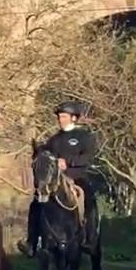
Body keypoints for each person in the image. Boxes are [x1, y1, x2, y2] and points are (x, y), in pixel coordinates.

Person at [19, 101, 101, 255]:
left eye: (63, 116)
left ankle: (90, 240)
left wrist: (69, 162)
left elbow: (89, 157)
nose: (60, 119)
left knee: (89, 201)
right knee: (36, 202)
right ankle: (32, 243)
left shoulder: (84, 136)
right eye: (59, 117)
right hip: (56, 180)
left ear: (74, 118)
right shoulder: (54, 139)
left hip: (77, 177)